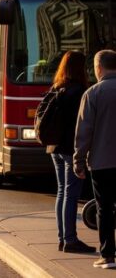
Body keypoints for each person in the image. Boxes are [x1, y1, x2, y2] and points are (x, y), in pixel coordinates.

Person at [47, 52, 96, 253]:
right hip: (70, 149)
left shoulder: (57, 88)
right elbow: (83, 124)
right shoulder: (80, 92)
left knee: (62, 192)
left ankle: (63, 237)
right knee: (71, 194)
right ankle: (70, 239)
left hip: (55, 148)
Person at [74, 50, 116, 269]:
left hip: (102, 161)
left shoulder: (92, 94)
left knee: (104, 208)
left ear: (98, 68)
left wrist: (78, 161)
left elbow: (84, 132)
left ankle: (108, 255)